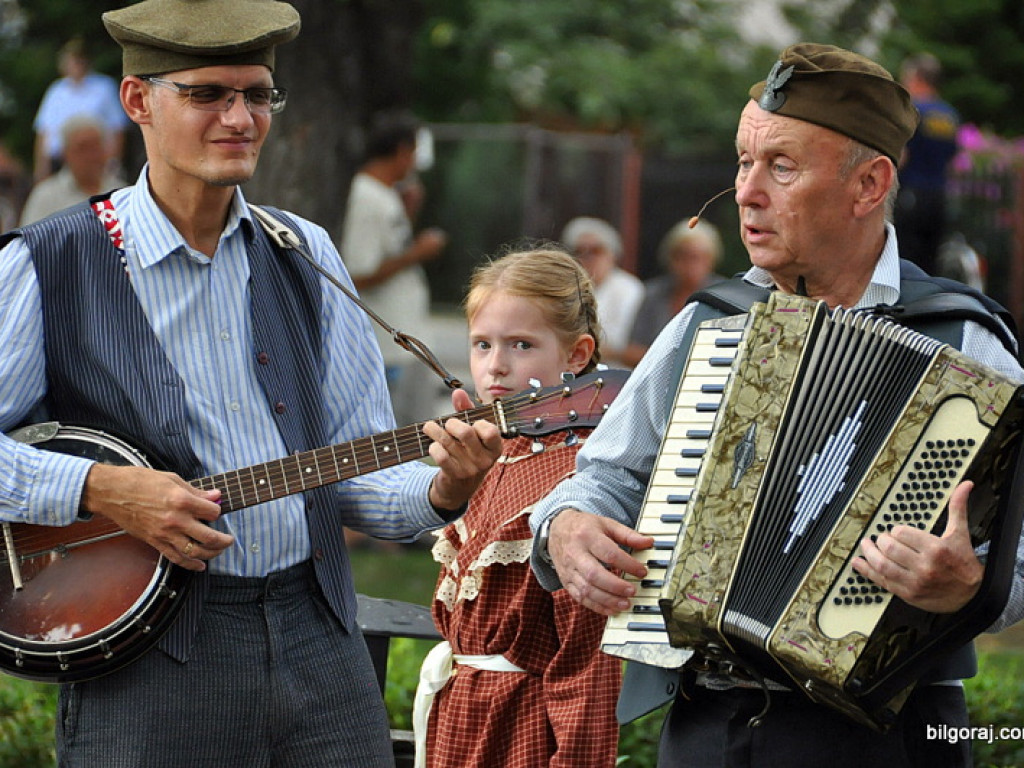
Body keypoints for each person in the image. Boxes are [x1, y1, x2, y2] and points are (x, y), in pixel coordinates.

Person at [0, 1, 502, 766]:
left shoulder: (306, 252)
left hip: (320, 637)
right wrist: (102, 489)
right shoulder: (44, 263)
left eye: (257, 94)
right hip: (148, 663)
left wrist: (444, 491)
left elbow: (358, 471)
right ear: (139, 100)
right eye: (208, 94)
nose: (240, 118)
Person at [529, 43, 1024, 768]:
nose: (746, 192)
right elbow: (603, 477)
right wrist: (565, 528)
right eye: (742, 161)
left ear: (868, 184)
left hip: (891, 740)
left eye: (781, 167)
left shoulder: (966, 343)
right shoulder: (711, 323)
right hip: (709, 726)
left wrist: (976, 589)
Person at [414, 248, 620, 768]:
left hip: (521, 730)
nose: (495, 365)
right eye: (482, 344)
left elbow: (587, 665)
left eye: (521, 345)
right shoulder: (487, 457)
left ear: (577, 355)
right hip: (460, 714)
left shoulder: (584, 477)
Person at [340, 110, 448, 427]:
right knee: (396, 435)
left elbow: (389, 252)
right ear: (402, 150)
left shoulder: (384, 195)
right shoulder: (365, 196)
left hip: (402, 340)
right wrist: (419, 252)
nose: (414, 162)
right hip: (386, 345)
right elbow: (357, 273)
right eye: (413, 153)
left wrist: (409, 213)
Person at [621, 218, 725, 368]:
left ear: (711, 259)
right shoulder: (653, 294)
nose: (690, 265)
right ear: (670, 257)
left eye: (696, 257)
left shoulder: (724, 296)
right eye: (683, 256)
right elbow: (631, 351)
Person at [895, 52, 960, 276]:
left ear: (916, 78)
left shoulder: (914, 111)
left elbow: (902, 155)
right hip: (939, 197)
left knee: (904, 261)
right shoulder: (949, 115)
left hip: (911, 196)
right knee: (930, 265)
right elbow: (952, 157)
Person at [32, 37, 130, 182]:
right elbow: (44, 131)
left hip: (94, 159)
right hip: (59, 162)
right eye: (71, 60)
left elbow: (117, 128)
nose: (75, 65)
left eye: (79, 60)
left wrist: (113, 162)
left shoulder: (103, 87)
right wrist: (41, 168)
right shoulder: (56, 91)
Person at [560, 216, 643, 367]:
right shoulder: (565, 288)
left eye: (595, 250)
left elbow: (631, 346)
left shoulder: (629, 289)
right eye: (580, 251)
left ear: (612, 254)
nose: (587, 257)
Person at [19, 115, 125, 225]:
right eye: (82, 148)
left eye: (95, 147)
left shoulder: (121, 194)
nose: (91, 156)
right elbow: (29, 239)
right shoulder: (45, 196)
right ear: (65, 154)